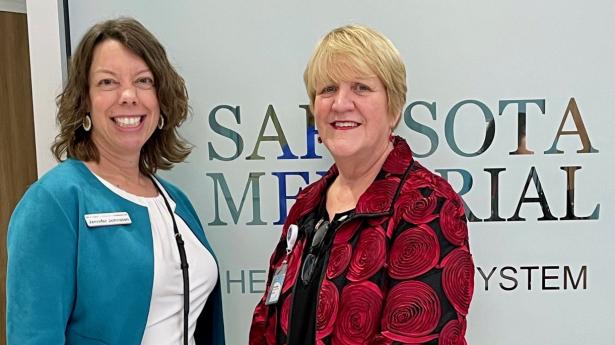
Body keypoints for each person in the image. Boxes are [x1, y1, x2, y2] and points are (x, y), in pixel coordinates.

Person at [250, 25, 474, 345]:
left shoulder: (427, 204)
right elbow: (267, 324)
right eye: (327, 89)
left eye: (361, 88)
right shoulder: (307, 206)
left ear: (393, 107)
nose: (341, 103)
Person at [6, 17, 225, 345]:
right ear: (85, 102)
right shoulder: (55, 202)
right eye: (108, 82)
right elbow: (33, 335)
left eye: (144, 81)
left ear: (160, 100)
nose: (128, 95)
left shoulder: (176, 201)